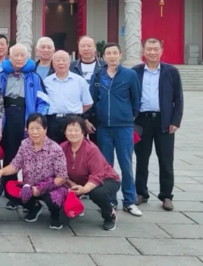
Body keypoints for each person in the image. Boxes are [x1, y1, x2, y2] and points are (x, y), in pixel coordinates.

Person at [0, 114, 68, 230]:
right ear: (27, 130)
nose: (35, 132)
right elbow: (15, 165)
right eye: (31, 128)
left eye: (38, 128)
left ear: (45, 129)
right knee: (9, 189)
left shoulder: (55, 149)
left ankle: (55, 215)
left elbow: (62, 177)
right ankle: (34, 207)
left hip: (50, 187)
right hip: (29, 186)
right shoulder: (25, 144)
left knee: (53, 197)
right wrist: (0, 172)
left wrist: (40, 189)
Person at [89, 42, 142, 217]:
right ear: (103, 56)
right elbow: (92, 99)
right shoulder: (98, 75)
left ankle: (129, 201)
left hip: (124, 127)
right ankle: (110, 199)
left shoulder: (130, 75)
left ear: (120, 55)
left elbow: (136, 99)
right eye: (108, 53)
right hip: (103, 127)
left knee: (126, 165)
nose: (111, 56)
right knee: (106, 166)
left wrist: (130, 116)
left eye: (114, 53)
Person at [132, 38, 184, 212]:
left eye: (156, 49)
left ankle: (166, 195)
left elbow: (178, 98)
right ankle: (141, 193)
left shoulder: (171, 71)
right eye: (149, 49)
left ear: (161, 51)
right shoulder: (136, 72)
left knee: (166, 160)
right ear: (143, 52)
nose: (152, 52)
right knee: (141, 159)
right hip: (142, 121)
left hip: (164, 122)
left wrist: (175, 121)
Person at [0, 43, 49, 209]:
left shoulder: (34, 77)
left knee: (31, 156)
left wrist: (36, 120)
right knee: (10, 156)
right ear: (9, 57)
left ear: (27, 58)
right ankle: (10, 194)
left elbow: (43, 101)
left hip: (27, 117)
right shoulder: (1, 76)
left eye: (22, 55)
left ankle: (31, 193)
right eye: (16, 55)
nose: (19, 58)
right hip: (7, 117)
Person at [60, 115, 121, 231]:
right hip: (77, 182)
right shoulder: (62, 148)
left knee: (96, 193)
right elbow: (58, 171)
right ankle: (77, 207)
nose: (73, 133)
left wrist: (84, 189)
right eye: (70, 130)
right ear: (65, 132)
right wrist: (70, 183)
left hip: (106, 179)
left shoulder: (91, 149)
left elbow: (97, 175)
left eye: (76, 130)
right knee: (62, 219)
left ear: (83, 132)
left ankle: (109, 215)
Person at [43, 50, 93, 143]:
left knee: (74, 148)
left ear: (69, 62)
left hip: (74, 121)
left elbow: (88, 103)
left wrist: (76, 111)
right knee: (54, 149)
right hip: (53, 121)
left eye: (64, 60)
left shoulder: (80, 81)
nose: (61, 63)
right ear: (53, 63)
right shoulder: (46, 81)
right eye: (58, 60)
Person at [70, 35, 106, 146]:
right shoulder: (71, 67)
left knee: (99, 150)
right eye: (83, 46)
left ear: (95, 48)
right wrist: (84, 119)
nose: (86, 48)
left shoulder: (105, 66)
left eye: (89, 46)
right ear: (78, 48)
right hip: (77, 114)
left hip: (100, 115)